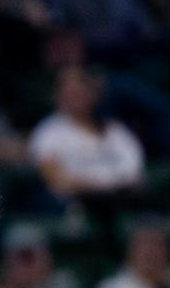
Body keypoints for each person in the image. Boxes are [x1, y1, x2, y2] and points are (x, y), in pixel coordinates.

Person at [27, 67, 145, 202]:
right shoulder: (48, 132)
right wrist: (101, 187)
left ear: (93, 94)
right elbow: (55, 180)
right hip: (73, 206)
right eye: (69, 93)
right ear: (57, 96)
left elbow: (134, 175)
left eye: (80, 92)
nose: (75, 98)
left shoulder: (116, 130)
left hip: (122, 201)